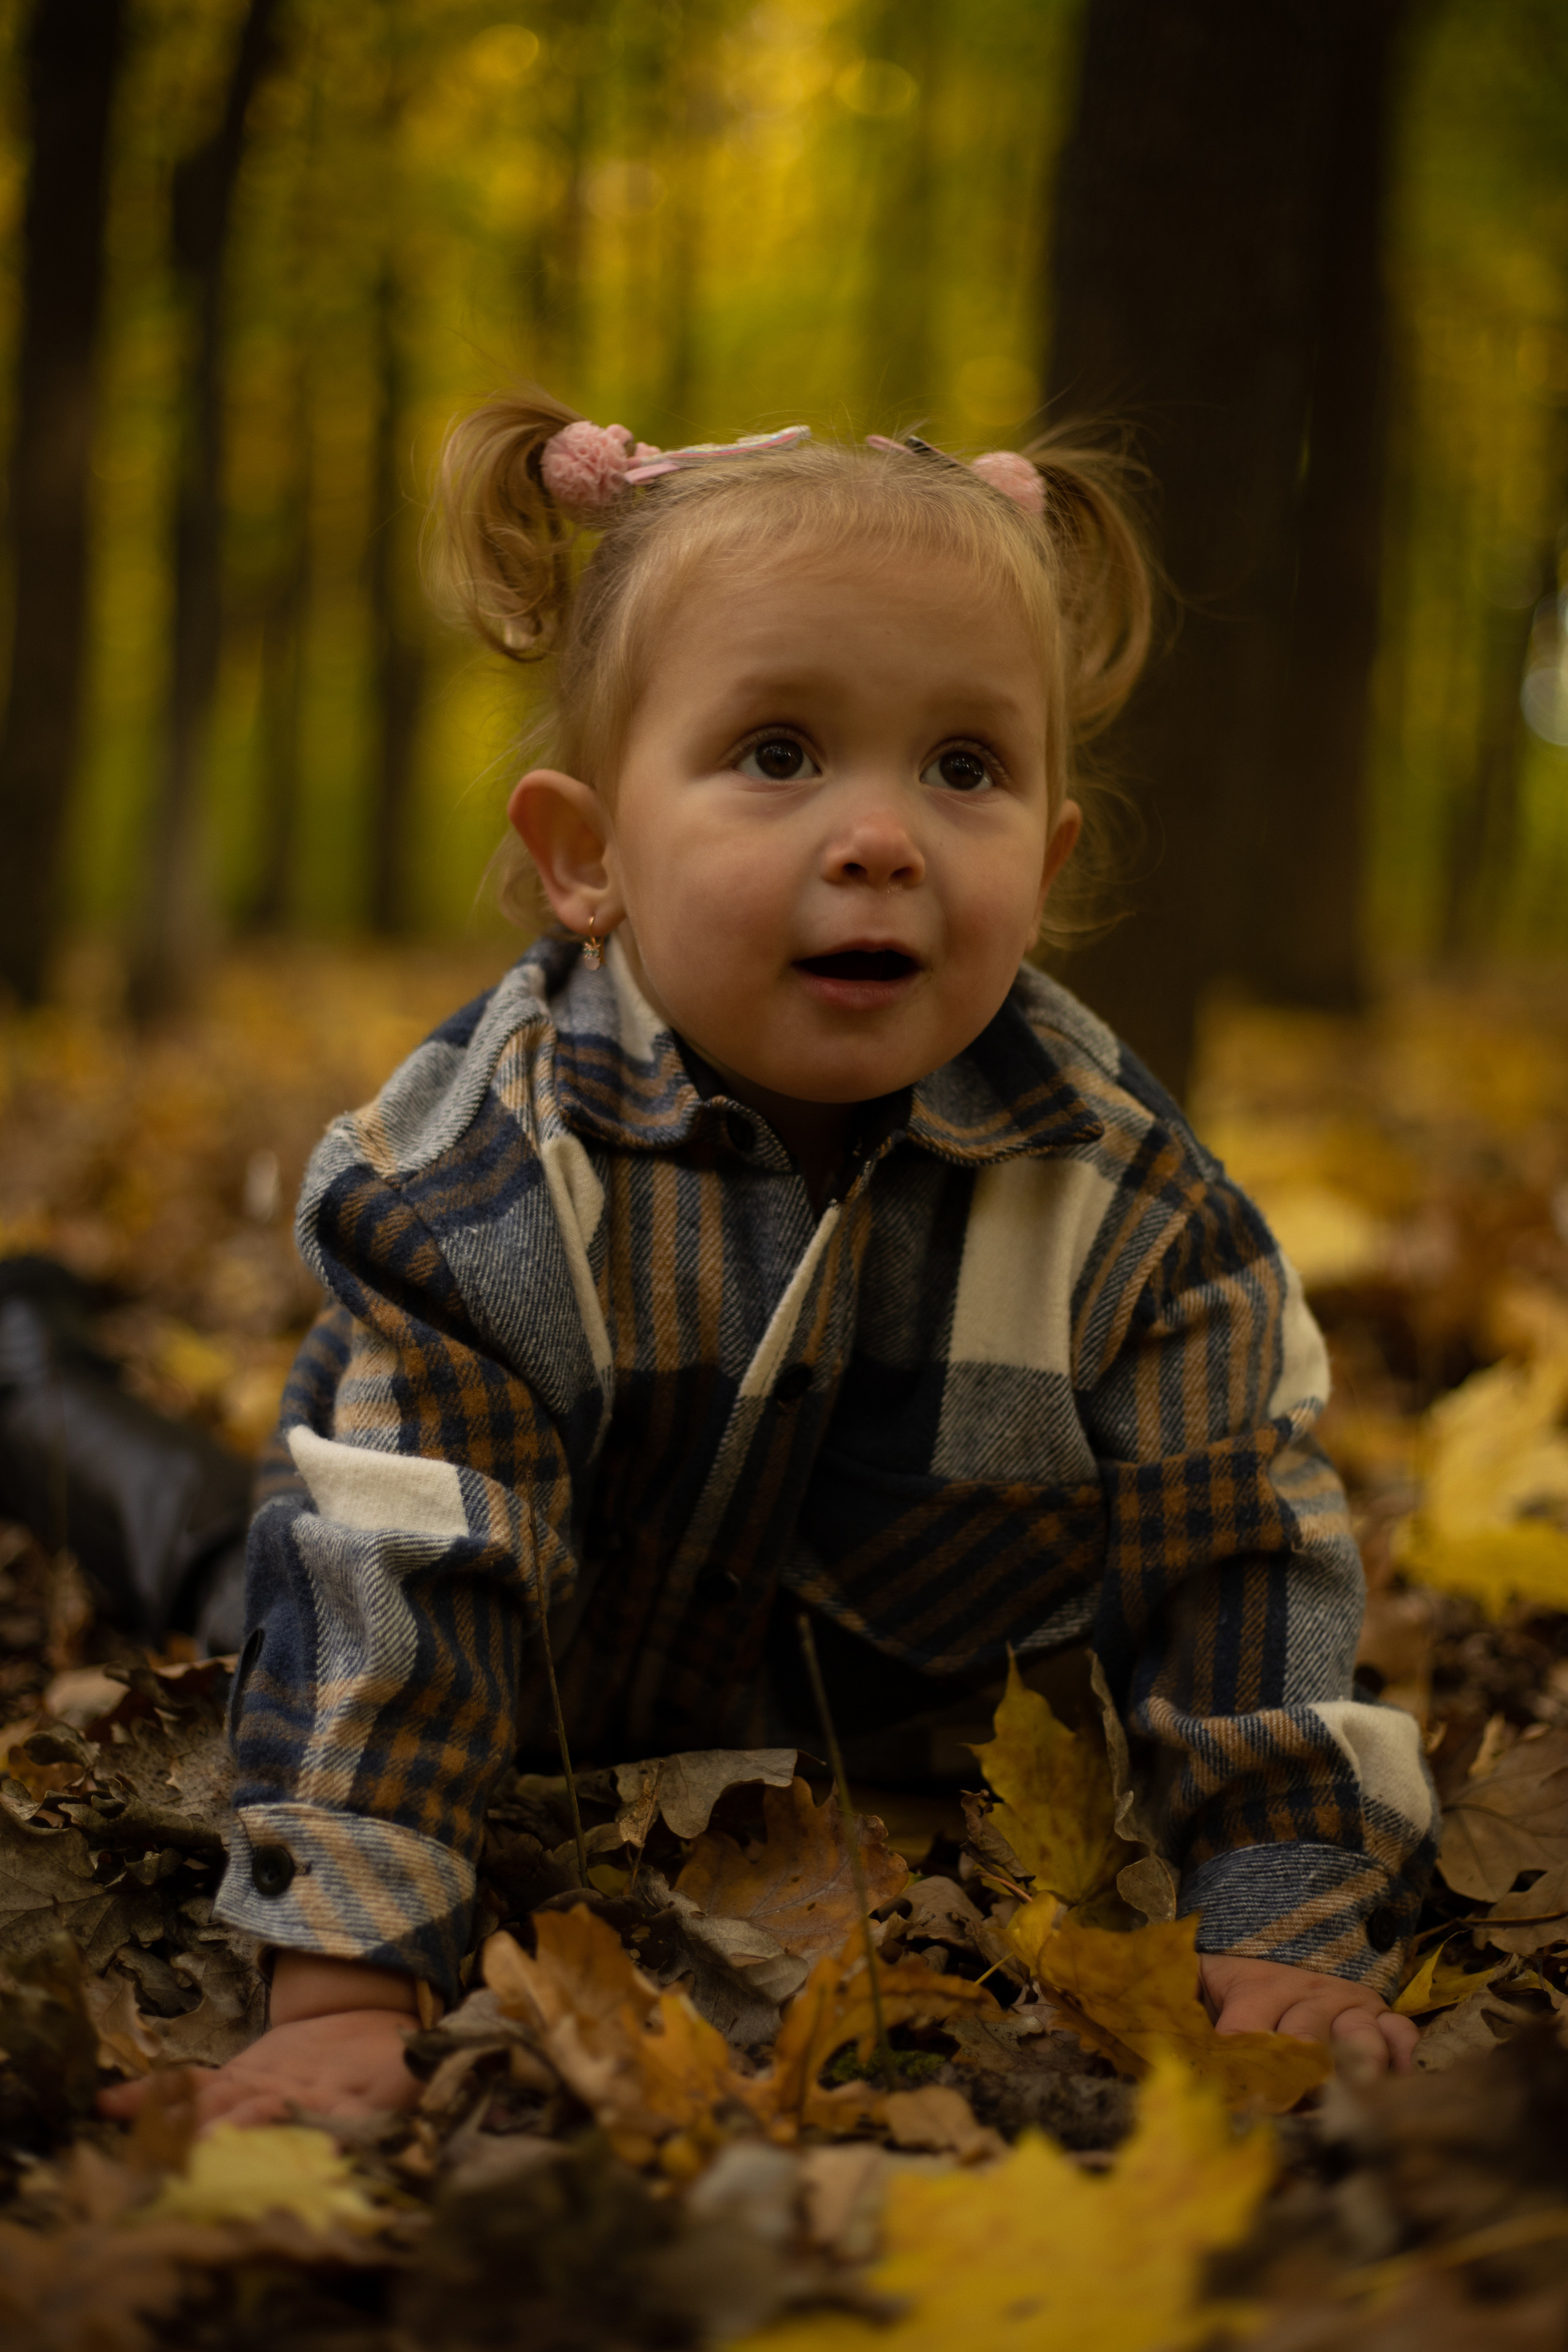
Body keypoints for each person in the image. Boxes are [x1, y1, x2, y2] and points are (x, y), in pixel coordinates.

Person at [102, 399, 1431, 2133]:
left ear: (1044, 858)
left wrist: (1286, 1923)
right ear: (590, 856)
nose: (880, 834)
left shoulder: (1138, 1220)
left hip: (866, 1750)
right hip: (499, 1643)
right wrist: (347, 1996)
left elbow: (1240, 1562)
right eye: (781, 754)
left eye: (964, 768)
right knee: (235, 1563)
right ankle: (40, 1372)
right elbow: (404, 1589)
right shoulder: (482, 1190)